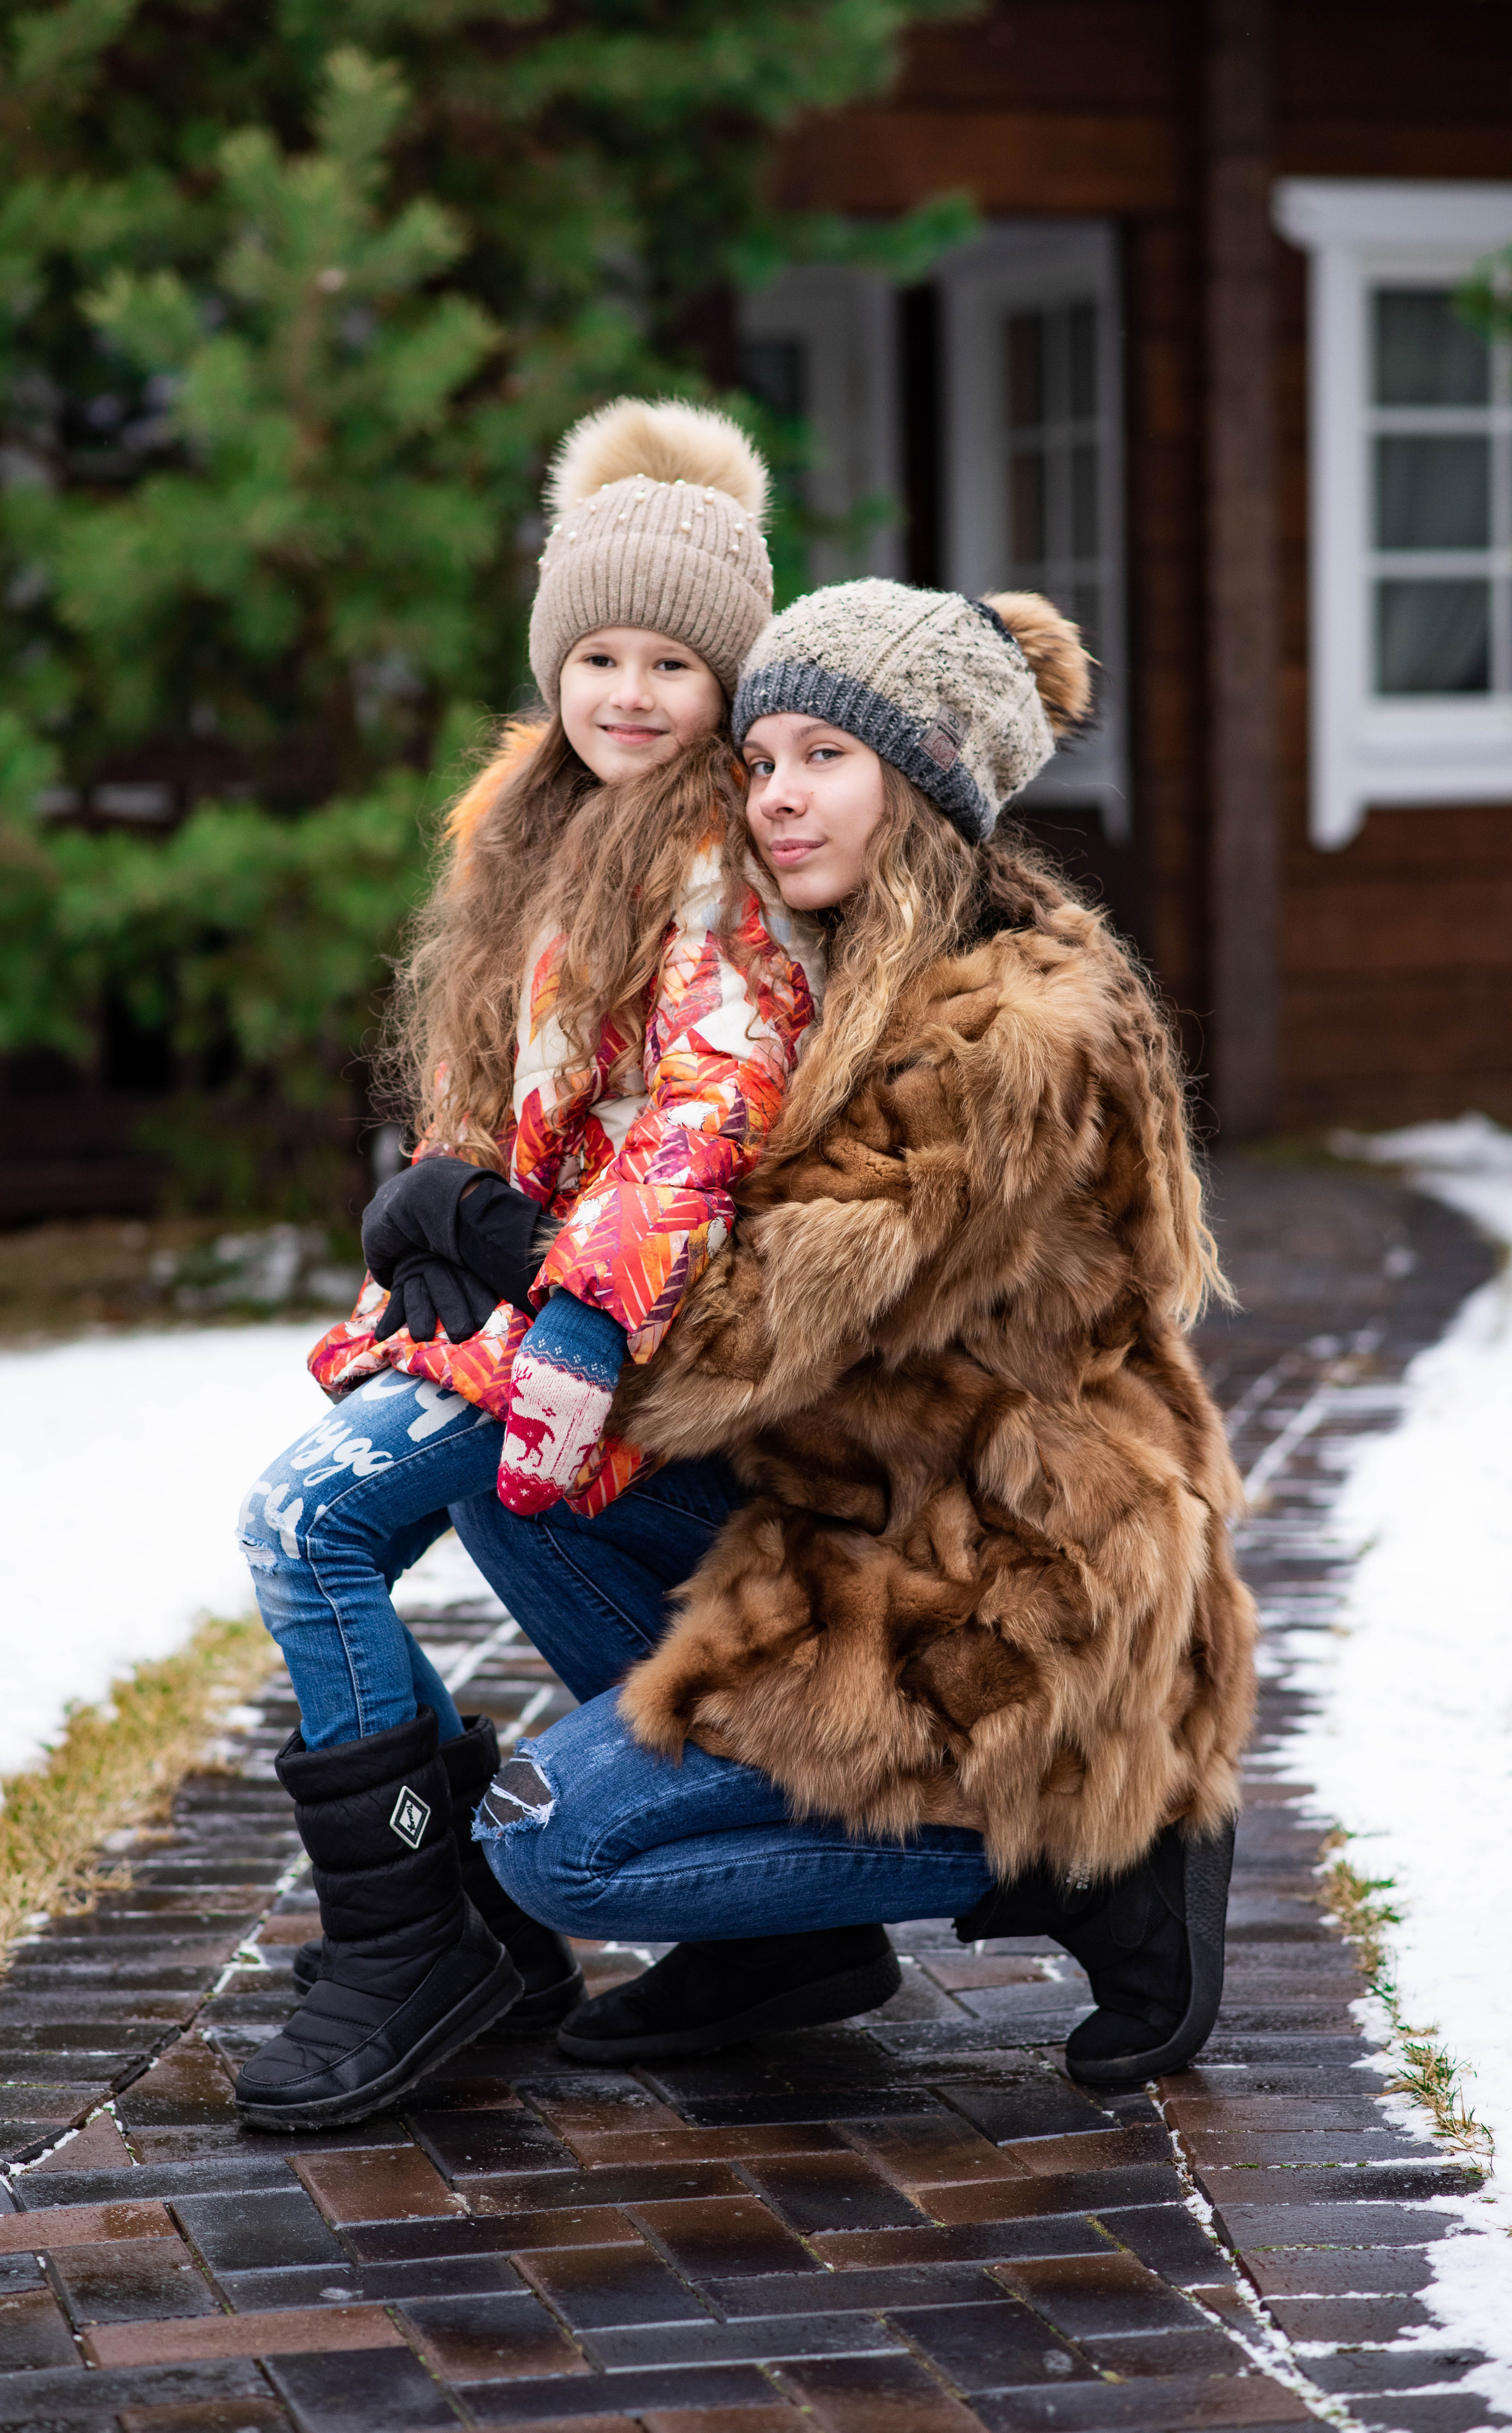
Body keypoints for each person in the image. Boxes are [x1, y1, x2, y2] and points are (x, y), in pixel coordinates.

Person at [455, 577, 1258, 2089]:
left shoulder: (1000, 1039)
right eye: (758, 763)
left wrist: (519, 1251)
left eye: (823, 756)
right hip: (848, 1508)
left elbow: (735, 1331)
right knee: (513, 1483)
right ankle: (781, 1938)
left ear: (927, 777)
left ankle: (1086, 1863)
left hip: (1004, 1579)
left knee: (553, 1851)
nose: (774, 798)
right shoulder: (825, 973)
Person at [230, 399, 824, 2132]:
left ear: (727, 684)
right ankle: (475, 1916)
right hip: (516, 1281)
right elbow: (515, 1081)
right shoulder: (532, 826)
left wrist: (569, 1301)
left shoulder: (722, 852)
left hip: (619, 1309)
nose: (628, 693)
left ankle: (424, 1936)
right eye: (597, 656)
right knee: (370, 1526)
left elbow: (713, 1096)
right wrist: (424, 1188)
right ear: (553, 662)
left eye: (672, 663)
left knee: (308, 1523)